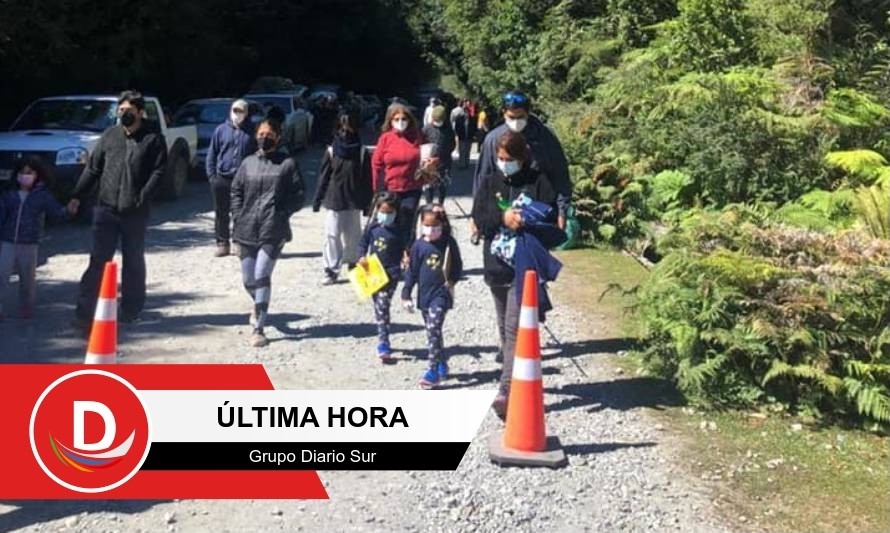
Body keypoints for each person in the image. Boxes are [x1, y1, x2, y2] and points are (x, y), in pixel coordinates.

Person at [471, 129, 561, 419]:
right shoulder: (489, 181)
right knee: (504, 330)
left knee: (513, 328)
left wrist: (527, 220)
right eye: (499, 158)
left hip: (523, 268)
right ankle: (514, 378)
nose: (503, 163)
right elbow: (480, 219)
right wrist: (502, 218)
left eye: (509, 158)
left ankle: (506, 391)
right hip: (495, 266)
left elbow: (549, 222)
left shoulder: (538, 182)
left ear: (522, 157)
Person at [68, 90, 167, 331]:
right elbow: (93, 169)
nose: (124, 114)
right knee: (98, 262)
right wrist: (76, 196)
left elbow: (159, 171)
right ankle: (85, 313)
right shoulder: (110, 136)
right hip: (106, 210)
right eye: (120, 111)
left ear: (140, 113)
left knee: (133, 261)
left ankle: (131, 309)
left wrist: (141, 197)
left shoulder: (153, 138)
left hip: (135, 212)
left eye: (129, 111)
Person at [231, 118, 306, 347]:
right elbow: (236, 190)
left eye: (270, 134)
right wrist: (238, 214)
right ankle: (259, 305)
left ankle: (259, 327)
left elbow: (300, 194)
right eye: (261, 133)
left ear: (278, 137)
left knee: (262, 274)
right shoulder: (247, 163)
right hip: (245, 229)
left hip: (273, 230)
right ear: (255, 136)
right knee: (248, 280)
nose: (265, 137)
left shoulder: (287, 164)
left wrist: (281, 212)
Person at [472, 90, 571, 230]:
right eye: (512, 117)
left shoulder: (545, 137)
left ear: (528, 113)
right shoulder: (493, 139)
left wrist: (562, 210)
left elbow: (560, 173)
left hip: (537, 211)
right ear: (504, 113)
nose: (516, 122)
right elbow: (482, 178)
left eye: (521, 117)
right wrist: (476, 214)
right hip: (502, 211)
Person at [0, 156, 76, 320]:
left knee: (27, 279)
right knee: (2, 273)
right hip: (7, 240)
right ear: (16, 175)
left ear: (37, 175)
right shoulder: (9, 194)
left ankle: (26, 307)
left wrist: (69, 211)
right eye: (22, 172)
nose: (25, 176)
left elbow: (56, 212)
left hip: (29, 242)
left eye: (29, 173)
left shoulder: (42, 195)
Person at [401, 203, 463, 389]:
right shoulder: (419, 245)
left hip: (442, 294)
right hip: (424, 297)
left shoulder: (448, 243)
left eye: (435, 227)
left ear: (442, 226)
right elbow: (412, 271)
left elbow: (458, 266)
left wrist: (451, 281)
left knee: (434, 327)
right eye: (427, 226)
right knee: (432, 331)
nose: (431, 230)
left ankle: (433, 369)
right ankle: (442, 361)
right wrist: (406, 294)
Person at [312, 111, 373, 285]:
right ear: (338, 129)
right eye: (342, 129)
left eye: (349, 128)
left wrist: (368, 203)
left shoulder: (361, 152)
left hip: (353, 200)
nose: (345, 132)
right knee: (332, 235)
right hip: (334, 200)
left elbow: (367, 180)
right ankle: (331, 269)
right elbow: (323, 177)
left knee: (354, 236)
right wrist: (317, 199)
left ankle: (354, 266)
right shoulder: (332, 151)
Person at [370, 103, 435, 252]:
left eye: (404, 118)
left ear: (410, 120)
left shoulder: (418, 136)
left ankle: (406, 254)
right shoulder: (386, 138)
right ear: (391, 121)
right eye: (397, 119)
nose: (400, 122)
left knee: (407, 221)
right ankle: (387, 252)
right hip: (390, 188)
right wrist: (376, 189)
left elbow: (429, 155)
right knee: (388, 221)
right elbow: (376, 164)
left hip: (411, 187)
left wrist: (431, 163)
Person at [356, 192, 404, 363]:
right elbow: (362, 244)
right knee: (378, 305)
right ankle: (383, 329)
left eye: (389, 212)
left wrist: (406, 257)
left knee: (383, 304)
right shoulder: (372, 228)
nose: (386, 215)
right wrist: (361, 256)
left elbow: (407, 248)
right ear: (377, 210)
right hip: (373, 272)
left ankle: (383, 341)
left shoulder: (400, 231)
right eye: (382, 211)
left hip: (391, 273)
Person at [205, 99, 256, 257]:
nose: (237, 114)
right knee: (221, 212)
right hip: (222, 178)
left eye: (241, 111)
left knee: (240, 212)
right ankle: (222, 243)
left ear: (246, 113)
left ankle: (238, 242)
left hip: (243, 180)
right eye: (235, 110)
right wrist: (212, 176)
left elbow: (257, 155)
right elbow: (212, 154)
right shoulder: (220, 130)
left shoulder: (252, 131)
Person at [421, 105, 455, 205]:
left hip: (444, 162)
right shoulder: (426, 129)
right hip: (429, 163)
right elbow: (421, 144)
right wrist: (426, 159)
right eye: (435, 120)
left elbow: (452, 145)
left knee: (442, 186)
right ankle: (429, 205)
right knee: (429, 186)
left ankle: (441, 204)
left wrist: (440, 157)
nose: (437, 122)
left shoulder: (448, 129)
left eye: (439, 120)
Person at [452, 100, 475, 169]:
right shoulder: (459, 118)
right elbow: (457, 127)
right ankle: (462, 164)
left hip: (469, 137)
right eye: (465, 111)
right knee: (462, 151)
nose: (466, 113)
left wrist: (473, 135)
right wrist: (458, 134)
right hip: (462, 137)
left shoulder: (472, 119)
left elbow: (473, 127)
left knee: (467, 151)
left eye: (467, 112)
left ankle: (467, 163)